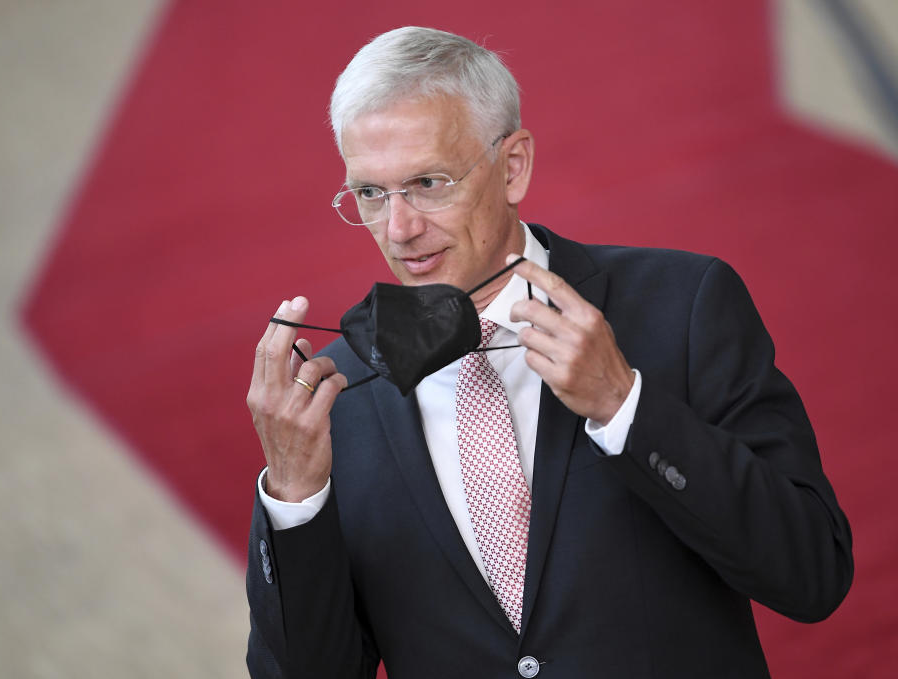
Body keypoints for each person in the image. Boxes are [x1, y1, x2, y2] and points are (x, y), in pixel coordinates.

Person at [245, 26, 853, 679]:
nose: (399, 229)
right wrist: (294, 495)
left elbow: (812, 573)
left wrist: (626, 408)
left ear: (513, 167)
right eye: (370, 192)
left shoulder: (684, 304)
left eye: (428, 181)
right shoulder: (334, 396)